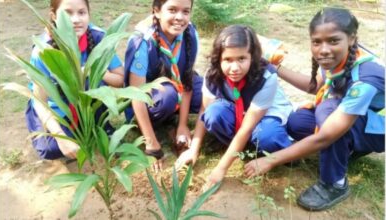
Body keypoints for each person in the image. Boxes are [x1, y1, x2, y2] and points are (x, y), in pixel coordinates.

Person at [244, 7, 385, 211]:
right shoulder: (338, 57)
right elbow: (315, 86)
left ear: (352, 38)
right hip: (358, 117)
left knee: (327, 114)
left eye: (333, 41)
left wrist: (270, 160)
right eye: (316, 42)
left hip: (380, 129)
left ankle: (334, 183)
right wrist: (276, 69)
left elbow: (325, 136)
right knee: (298, 122)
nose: (324, 49)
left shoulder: (365, 78)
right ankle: (347, 150)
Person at [175, 25, 293, 186]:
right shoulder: (213, 73)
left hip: (264, 115)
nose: (235, 68)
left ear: (252, 56)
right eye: (228, 60)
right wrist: (193, 149)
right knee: (213, 113)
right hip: (238, 111)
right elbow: (204, 109)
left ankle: (284, 151)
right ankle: (240, 148)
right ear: (219, 58)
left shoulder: (266, 77)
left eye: (242, 59)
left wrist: (220, 169)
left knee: (267, 136)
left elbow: (246, 128)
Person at [26, 0, 124, 160]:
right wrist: (60, 138)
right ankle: (81, 130)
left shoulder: (99, 38)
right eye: (67, 13)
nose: (76, 19)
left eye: (81, 12)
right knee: (50, 149)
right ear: (54, 16)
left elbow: (120, 80)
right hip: (55, 107)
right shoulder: (43, 50)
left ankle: (100, 126)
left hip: (87, 104)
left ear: (89, 15)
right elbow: (39, 100)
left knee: (87, 80)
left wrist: (94, 71)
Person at [123, 0, 202, 172]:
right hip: (151, 98)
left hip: (178, 87)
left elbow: (187, 81)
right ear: (157, 11)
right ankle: (155, 127)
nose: (180, 17)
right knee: (168, 96)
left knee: (205, 90)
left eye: (185, 11)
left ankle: (174, 123)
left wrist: (183, 125)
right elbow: (136, 95)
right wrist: (151, 144)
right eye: (172, 10)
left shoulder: (190, 33)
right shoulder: (142, 41)